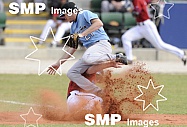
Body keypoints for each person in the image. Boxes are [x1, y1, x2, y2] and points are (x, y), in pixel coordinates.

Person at [47, 2, 127, 96]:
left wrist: (83, 34)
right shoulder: (73, 27)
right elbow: (72, 48)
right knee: (72, 73)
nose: (65, 18)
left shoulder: (85, 13)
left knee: (87, 58)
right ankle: (98, 92)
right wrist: (58, 63)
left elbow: (99, 23)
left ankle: (116, 56)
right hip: (92, 52)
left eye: (65, 15)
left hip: (101, 45)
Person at [121, 0, 187, 65]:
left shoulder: (136, 0)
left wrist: (129, 9)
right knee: (125, 37)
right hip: (140, 27)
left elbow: (137, 13)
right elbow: (148, 2)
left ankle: (181, 53)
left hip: (147, 26)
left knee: (160, 45)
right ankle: (130, 59)